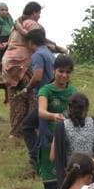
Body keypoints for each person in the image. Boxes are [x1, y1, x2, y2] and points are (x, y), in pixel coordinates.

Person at [2, 1, 66, 138]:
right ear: (34, 13)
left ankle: (15, 132)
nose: (39, 17)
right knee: (33, 97)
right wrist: (58, 48)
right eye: (39, 14)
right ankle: (33, 129)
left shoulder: (16, 25)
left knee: (16, 98)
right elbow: (39, 40)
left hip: (8, 65)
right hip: (24, 64)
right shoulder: (32, 24)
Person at [37, 54, 76, 189]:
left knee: (69, 183)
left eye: (68, 72)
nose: (64, 75)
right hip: (48, 140)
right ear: (54, 71)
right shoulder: (45, 90)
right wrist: (53, 116)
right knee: (51, 187)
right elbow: (41, 111)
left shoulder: (73, 92)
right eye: (61, 71)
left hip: (68, 143)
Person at [22, 28, 57, 168]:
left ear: (31, 43)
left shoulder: (37, 55)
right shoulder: (49, 53)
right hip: (52, 95)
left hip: (44, 96)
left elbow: (37, 76)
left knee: (28, 126)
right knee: (41, 127)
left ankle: (37, 158)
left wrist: (27, 88)